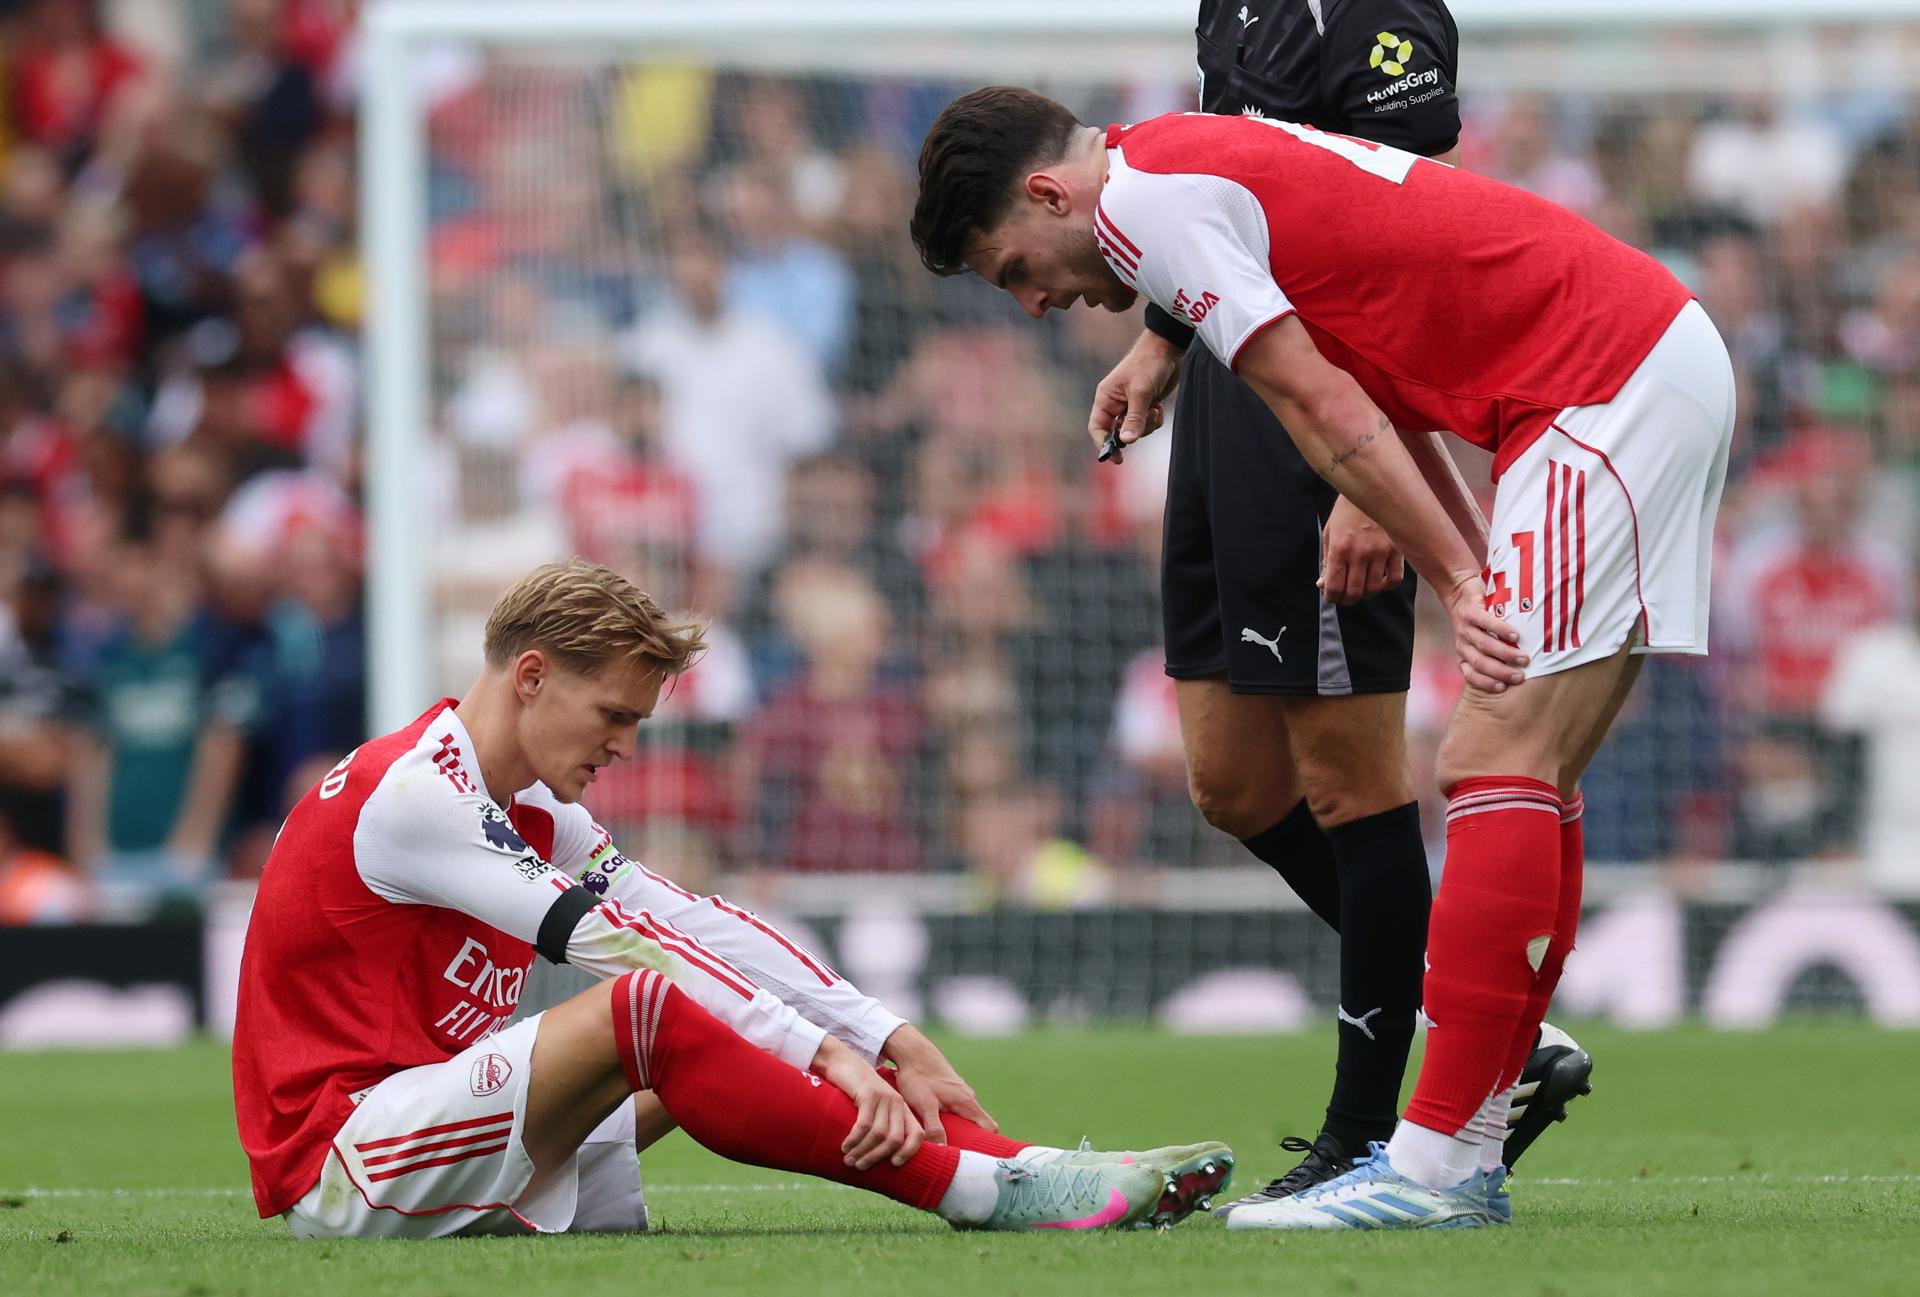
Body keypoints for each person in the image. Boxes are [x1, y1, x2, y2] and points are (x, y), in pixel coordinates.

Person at [910, 87, 1734, 1228]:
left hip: (1598, 380)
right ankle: (1473, 1137)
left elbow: (1325, 409)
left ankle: (1432, 1169)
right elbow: (1375, 400)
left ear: (1050, 195)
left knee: (1494, 752)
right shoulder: (1183, 167)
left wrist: (1457, 579)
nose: (1038, 302)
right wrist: (1465, 552)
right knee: (1531, 769)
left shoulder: (1151, 202)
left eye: (1015, 268)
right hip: (1615, 370)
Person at [231, 560, 1233, 1239]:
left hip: (442, 1127)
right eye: (615, 714)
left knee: (703, 1014)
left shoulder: (527, 802)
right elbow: (624, 951)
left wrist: (885, 1035)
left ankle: (1037, 1163)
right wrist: (823, 1050)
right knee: (649, 1006)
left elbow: (687, 919)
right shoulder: (418, 795)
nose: (625, 746)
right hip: (348, 1159)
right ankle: (988, 1192)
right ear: (531, 676)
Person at [1069, 0, 1588, 1210]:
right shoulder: (1229, 6)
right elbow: (1221, 187)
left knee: (1353, 780)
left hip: (1333, 402)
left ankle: (1371, 1135)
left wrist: (1378, 483)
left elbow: (1398, 238)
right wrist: (1158, 345)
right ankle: (1508, 1037)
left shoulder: (1381, 14)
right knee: (1235, 785)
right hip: (1226, 380)